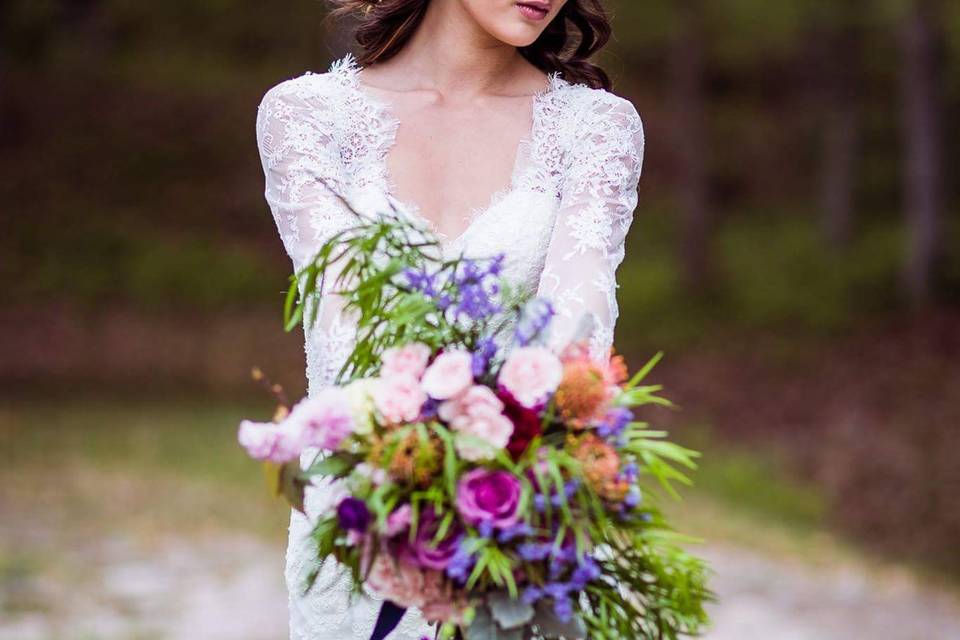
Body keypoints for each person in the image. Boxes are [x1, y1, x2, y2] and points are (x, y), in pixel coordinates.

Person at [255, 0, 644, 637]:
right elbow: (348, 329)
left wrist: (505, 486)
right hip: (366, 529)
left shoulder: (595, 130)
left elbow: (579, 340)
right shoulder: (307, 118)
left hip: (522, 529)